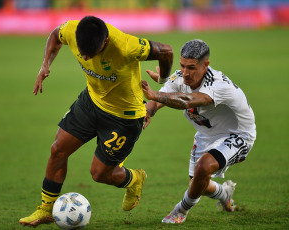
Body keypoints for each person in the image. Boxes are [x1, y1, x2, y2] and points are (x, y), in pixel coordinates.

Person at [19, 16, 173, 227]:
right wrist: (45, 64)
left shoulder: (127, 46)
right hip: (91, 102)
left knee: (99, 174)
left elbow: (166, 51)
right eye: (82, 52)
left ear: (106, 42)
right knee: (58, 150)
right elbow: (56, 35)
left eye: (91, 53)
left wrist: (162, 81)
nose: (85, 57)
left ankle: (135, 179)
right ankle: (46, 209)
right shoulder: (72, 30)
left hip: (124, 117)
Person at [141, 39, 256, 224]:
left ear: (206, 65)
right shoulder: (179, 77)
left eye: (192, 68)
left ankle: (180, 211)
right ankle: (225, 194)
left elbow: (187, 100)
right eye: (183, 66)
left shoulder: (219, 85)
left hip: (238, 134)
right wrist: (145, 114)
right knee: (197, 185)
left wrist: (155, 94)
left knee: (203, 167)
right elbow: (157, 102)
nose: (185, 73)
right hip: (206, 134)